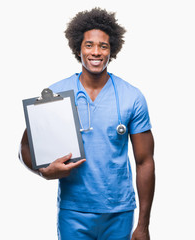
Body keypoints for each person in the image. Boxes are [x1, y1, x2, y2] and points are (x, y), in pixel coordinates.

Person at [19, 7, 155, 240]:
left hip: (119, 212)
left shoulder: (131, 96)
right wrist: (44, 172)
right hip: (74, 212)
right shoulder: (57, 94)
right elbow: (25, 148)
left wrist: (142, 225)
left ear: (112, 50)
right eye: (89, 45)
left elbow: (145, 162)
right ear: (78, 49)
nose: (96, 52)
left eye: (103, 46)